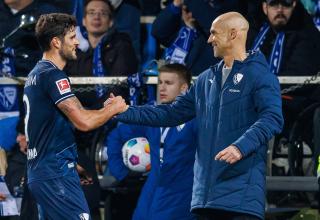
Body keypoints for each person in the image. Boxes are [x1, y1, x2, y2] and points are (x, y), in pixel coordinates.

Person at [115, 12, 284, 220]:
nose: (209, 39)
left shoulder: (260, 76)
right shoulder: (205, 79)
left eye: (214, 33)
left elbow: (273, 118)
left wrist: (240, 147)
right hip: (204, 200)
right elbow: (171, 112)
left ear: (233, 34)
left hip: (240, 201)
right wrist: (125, 111)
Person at [23, 13, 127, 219]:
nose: (77, 42)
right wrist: (114, 108)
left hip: (43, 172)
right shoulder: (53, 75)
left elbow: (52, 124)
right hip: (55, 175)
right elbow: (84, 122)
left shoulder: (35, 74)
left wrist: (71, 163)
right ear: (56, 42)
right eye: (71, 37)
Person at [107, 63, 197, 220]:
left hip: (182, 196)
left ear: (184, 88)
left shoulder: (197, 120)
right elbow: (116, 136)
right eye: (160, 82)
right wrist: (122, 173)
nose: (162, 88)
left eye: (168, 83)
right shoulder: (154, 117)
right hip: (150, 195)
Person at [65, 0, 138, 109]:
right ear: (84, 21)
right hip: (76, 114)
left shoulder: (122, 45)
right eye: (91, 12)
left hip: (110, 113)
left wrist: (93, 113)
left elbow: (119, 88)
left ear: (111, 22)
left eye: (103, 13)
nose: (97, 17)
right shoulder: (73, 48)